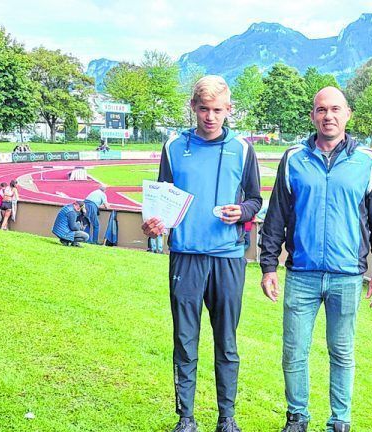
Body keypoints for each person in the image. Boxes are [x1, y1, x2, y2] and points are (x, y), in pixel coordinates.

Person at [260, 87, 372, 432]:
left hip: (346, 275)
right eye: (321, 110)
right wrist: (268, 266)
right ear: (312, 116)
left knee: (342, 352)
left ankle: (340, 420)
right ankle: (297, 417)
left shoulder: (367, 162)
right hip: (301, 274)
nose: (328, 116)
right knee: (294, 352)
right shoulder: (294, 159)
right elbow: (276, 217)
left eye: (335, 109)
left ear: (348, 114)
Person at [141, 75, 262, 432]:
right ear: (193, 107)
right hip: (186, 255)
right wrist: (152, 225)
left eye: (218, 110)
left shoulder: (243, 149)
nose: (211, 117)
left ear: (229, 110)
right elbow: (160, 202)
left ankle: (227, 418)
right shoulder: (173, 147)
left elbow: (255, 200)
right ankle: (186, 418)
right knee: (184, 339)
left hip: (228, 257)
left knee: (226, 340)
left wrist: (243, 211)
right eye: (204, 109)